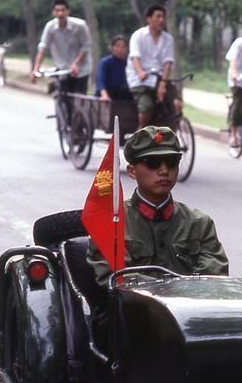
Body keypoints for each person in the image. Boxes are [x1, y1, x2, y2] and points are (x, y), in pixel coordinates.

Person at [87, 125, 229, 346]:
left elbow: (214, 277)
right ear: (132, 171)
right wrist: (171, 291)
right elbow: (113, 279)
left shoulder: (199, 223)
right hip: (131, 322)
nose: (164, 170)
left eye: (171, 162)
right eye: (152, 163)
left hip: (189, 321)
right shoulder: (112, 223)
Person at [126, 4, 175, 128]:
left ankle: (173, 131)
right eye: (158, 16)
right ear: (148, 19)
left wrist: (163, 84)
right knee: (147, 107)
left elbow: (168, 62)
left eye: (163, 17)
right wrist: (140, 72)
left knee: (176, 105)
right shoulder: (138, 35)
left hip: (159, 79)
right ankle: (141, 131)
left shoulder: (168, 39)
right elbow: (135, 57)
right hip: (141, 81)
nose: (161, 20)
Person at [31, 0, 92, 94]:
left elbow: (86, 46)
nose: (60, 13)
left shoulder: (80, 26)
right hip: (62, 69)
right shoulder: (50, 27)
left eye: (63, 10)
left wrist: (76, 63)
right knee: (62, 96)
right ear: (53, 12)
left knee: (79, 98)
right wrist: (36, 69)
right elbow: (43, 48)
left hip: (81, 69)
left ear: (68, 11)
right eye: (57, 10)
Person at [94, 35, 133, 102]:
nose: (120, 49)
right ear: (112, 47)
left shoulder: (128, 64)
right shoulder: (105, 62)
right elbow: (100, 80)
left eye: (123, 47)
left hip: (122, 95)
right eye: (118, 46)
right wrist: (104, 95)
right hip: (107, 93)